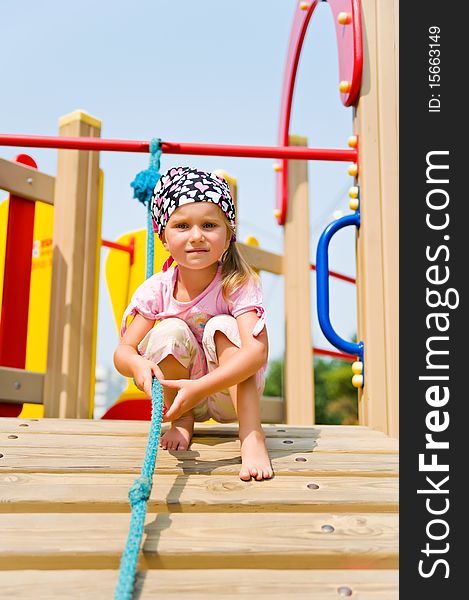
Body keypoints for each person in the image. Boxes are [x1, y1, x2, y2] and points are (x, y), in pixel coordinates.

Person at [114, 166, 273, 481]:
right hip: (181, 399)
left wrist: (200, 387)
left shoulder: (237, 282)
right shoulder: (157, 289)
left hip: (228, 397)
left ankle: (252, 435)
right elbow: (124, 350)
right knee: (168, 331)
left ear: (228, 237)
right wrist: (136, 364)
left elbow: (257, 353)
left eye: (210, 224)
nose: (196, 235)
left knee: (223, 327)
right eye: (182, 225)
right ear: (163, 236)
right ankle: (182, 421)